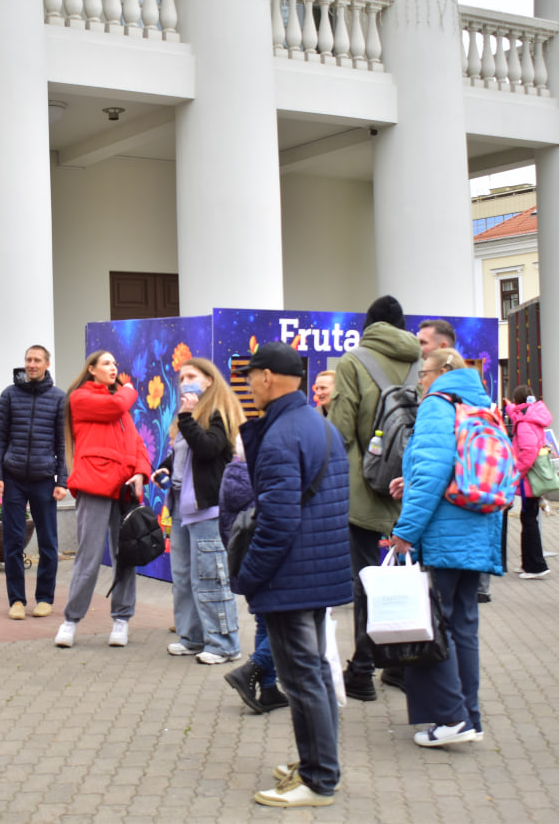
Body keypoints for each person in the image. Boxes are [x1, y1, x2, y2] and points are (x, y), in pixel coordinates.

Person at [231, 342, 351, 808]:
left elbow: (277, 521)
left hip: (290, 575)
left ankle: (319, 779)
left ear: (266, 378)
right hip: (314, 571)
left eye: (249, 379)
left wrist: (250, 576)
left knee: (303, 678)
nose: (248, 388)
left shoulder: (283, 435)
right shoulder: (315, 424)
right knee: (314, 672)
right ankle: (321, 764)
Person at [388, 347, 502, 748]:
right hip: (477, 528)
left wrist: (407, 529)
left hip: (444, 532)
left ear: (442, 372)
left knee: (437, 625)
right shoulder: (480, 403)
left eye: (423, 373)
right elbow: (457, 467)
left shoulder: (438, 404)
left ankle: (450, 719)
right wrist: (410, 482)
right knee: (464, 626)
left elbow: (435, 469)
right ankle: (470, 716)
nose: (419, 381)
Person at [328, 294, 419, 702]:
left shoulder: (352, 362)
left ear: (368, 325)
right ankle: (401, 664)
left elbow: (342, 428)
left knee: (366, 578)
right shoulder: (422, 362)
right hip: (412, 487)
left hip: (363, 486)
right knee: (407, 573)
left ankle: (362, 669)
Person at [56, 350, 152, 649]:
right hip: (94, 485)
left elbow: (137, 444)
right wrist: (128, 390)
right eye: (107, 363)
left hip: (124, 489)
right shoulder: (82, 398)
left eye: (115, 363)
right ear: (92, 369)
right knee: (89, 556)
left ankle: (121, 620)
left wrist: (140, 472)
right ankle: (71, 620)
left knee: (125, 555)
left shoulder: (118, 405)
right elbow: (116, 404)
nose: (114, 368)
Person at [154, 357, 244, 665]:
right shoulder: (187, 418)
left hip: (208, 508)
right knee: (183, 576)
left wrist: (188, 418)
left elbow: (208, 448)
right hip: (181, 505)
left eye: (191, 376)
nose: (184, 382)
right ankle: (191, 637)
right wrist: (164, 469)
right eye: (181, 377)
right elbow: (182, 455)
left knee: (211, 576)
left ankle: (224, 644)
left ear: (209, 380)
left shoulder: (219, 413)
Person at [0, 345, 69, 621]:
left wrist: (63, 480)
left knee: (48, 542)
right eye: (28, 360)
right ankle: (17, 600)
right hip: (13, 479)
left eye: (36, 360)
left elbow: (63, 443)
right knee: (12, 542)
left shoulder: (59, 398)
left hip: (44, 480)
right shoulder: (9, 395)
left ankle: (45, 598)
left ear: (47, 364)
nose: (31, 364)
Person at [220, 451, 288, 714]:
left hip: (247, 564)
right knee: (289, 622)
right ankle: (251, 669)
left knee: (265, 619)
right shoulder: (268, 480)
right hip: (270, 561)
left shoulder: (232, 478)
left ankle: (268, 688)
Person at [506, 385, 551, 580]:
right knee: (528, 518)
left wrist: (516, 473)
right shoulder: (532, 416)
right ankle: (528, 563)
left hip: (528, 479)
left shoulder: (523, 423)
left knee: (529, 520)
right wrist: (509, 407)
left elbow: (528, 451)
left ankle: (536, 566)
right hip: (535, 477)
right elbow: (517, 416)